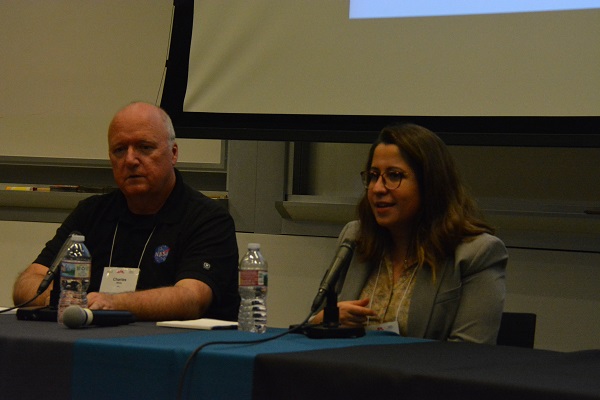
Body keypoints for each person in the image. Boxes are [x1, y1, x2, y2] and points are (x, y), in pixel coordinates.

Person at [12, 102, 240, 321]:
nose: (130, 160)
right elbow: (29, 283)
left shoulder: (208, 219)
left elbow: (191, 298)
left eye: (145, 147)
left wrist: (113, 303)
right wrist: (71, 300)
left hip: (179, 352)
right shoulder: (91, 213)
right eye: (119, 150)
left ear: (173, 153)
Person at [311, 123, 508, 344]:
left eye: (394, 176)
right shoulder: (355, 238)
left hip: (421, 377)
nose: (377, 188)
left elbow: (468, 355)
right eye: (373, 176)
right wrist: (322, 321)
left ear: (430, 184)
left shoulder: (476, 253)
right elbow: (309, 326)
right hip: (346, 374)